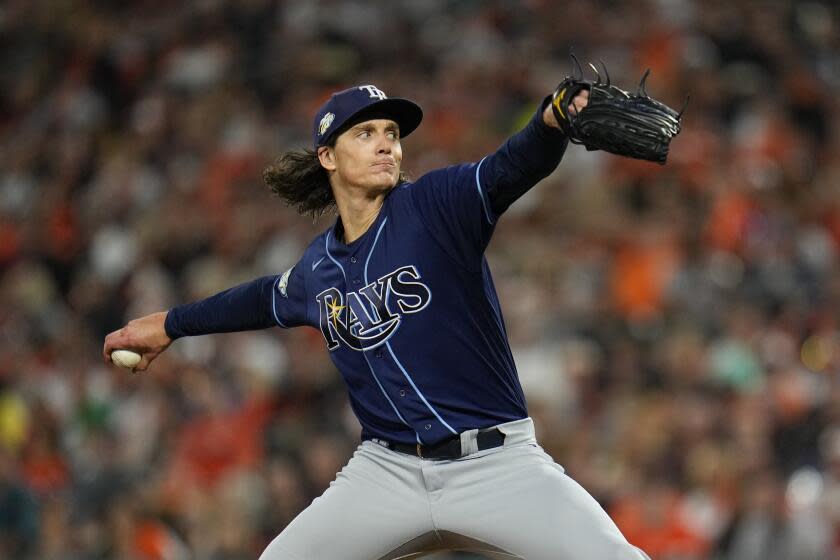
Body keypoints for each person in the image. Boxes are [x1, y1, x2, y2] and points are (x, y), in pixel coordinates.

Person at [104, 83, 650, 560]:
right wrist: (171, 324)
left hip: (496, 464)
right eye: (365, 133)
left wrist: (551, 119)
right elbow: (258, 299)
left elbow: (513, 164)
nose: (386, 141)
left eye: (391, 130)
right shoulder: (318, 268)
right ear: (328, 157)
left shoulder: (437, 206)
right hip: (387, 474)